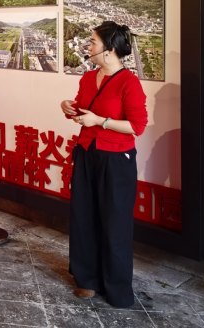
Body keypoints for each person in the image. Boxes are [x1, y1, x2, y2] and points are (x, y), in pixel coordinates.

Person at [59, 20, 147, 308]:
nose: (88, 45)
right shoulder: (88, 78)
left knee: (115, 222)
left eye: (93, 41)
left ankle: (117, 287)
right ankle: (86, 279)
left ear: (109, 49)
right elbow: (82, 108)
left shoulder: (128, 82)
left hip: (116, 158)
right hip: (87, 151)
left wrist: (101, 121)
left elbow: (137, 126)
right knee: (83, 216)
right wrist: (68, 108)